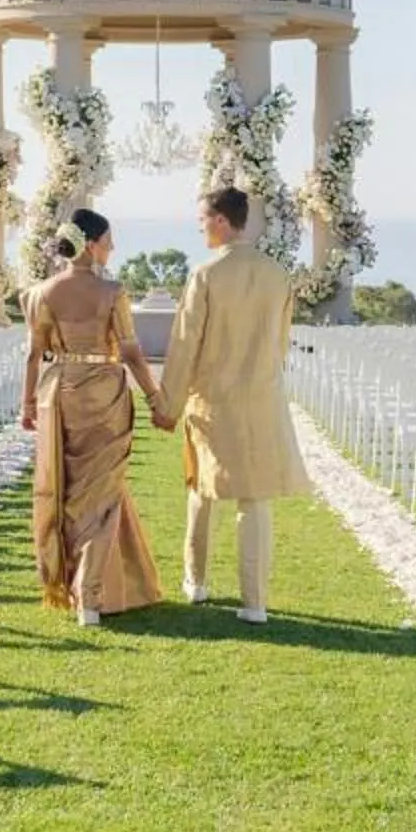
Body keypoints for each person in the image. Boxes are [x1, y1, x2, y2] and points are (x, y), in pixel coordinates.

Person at [156, 186, 304, 623]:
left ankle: (196, 582)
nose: (199, 226)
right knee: (254, 500)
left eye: (202, 218)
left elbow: (185, 345)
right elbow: (280, 344)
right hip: (261, 401)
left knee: (203, 492)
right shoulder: (278, 274)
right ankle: (254, 603)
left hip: (213, 401)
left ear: (221, 220)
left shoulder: (205, 274)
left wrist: (168, 404)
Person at [20, 206, 167, 626]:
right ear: (90, 244)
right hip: (104, 390)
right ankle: (89, 594)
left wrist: (27, 404)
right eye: (107, 241)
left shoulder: (41, 293)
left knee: (68, 491)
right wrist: (155, 398)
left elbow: (34, 355)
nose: (112, 247)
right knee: (103, 492)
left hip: (59, 392)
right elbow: (132, 352)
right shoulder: (112, 292)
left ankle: (79, 585)